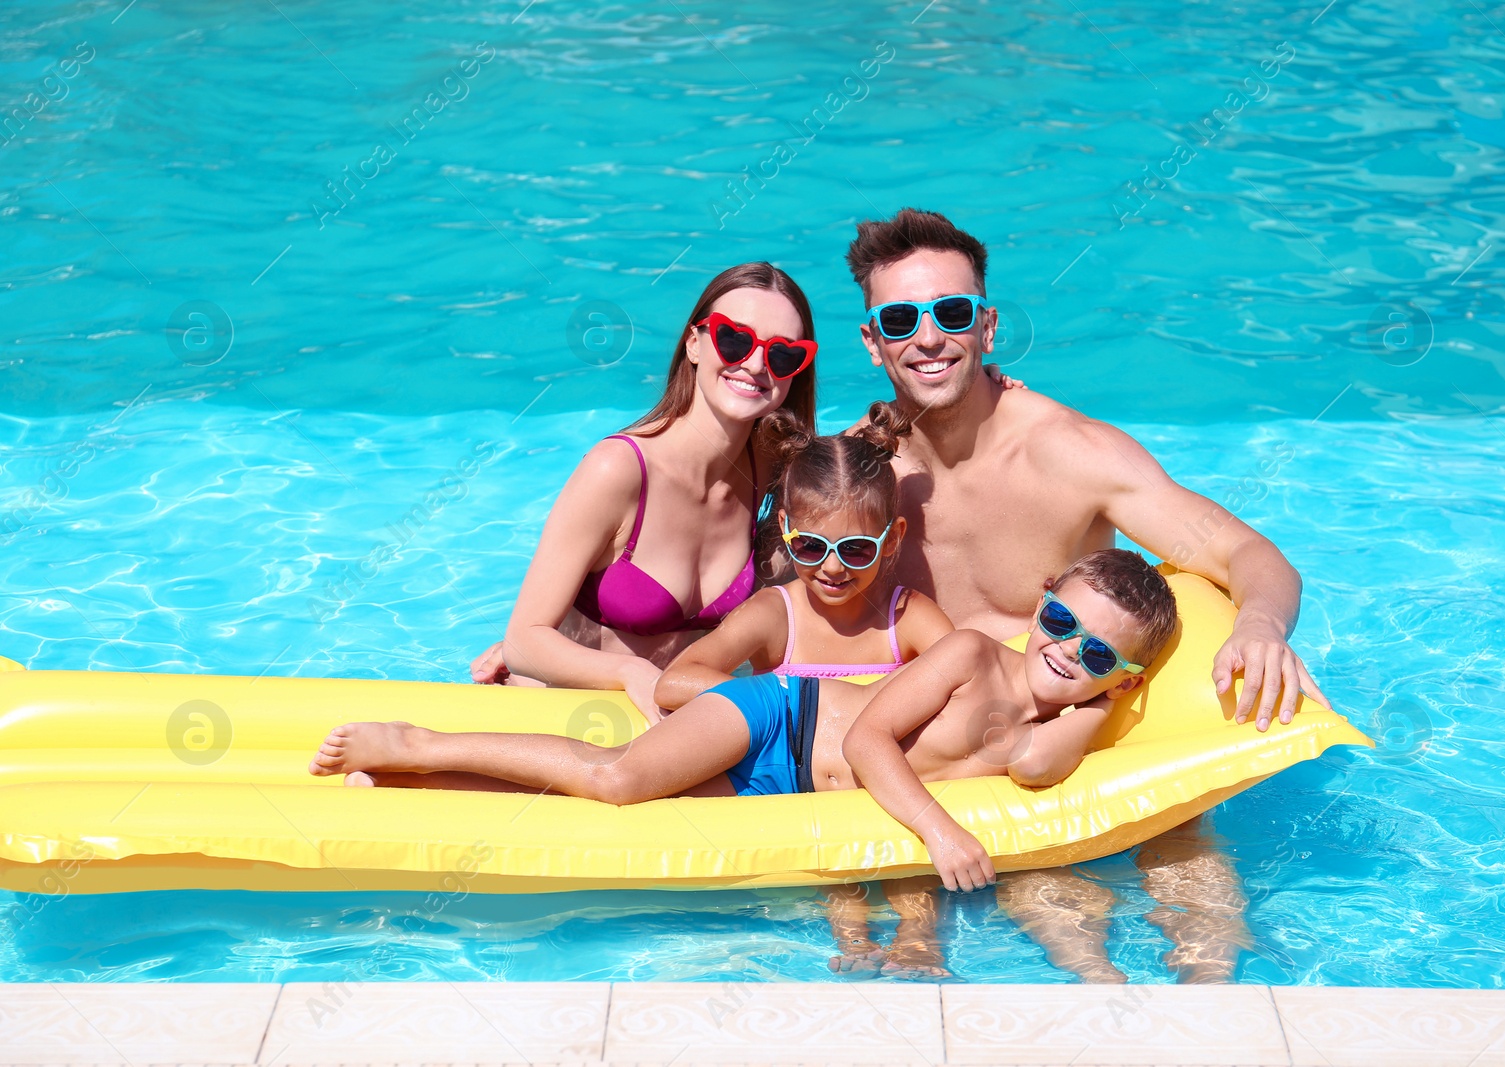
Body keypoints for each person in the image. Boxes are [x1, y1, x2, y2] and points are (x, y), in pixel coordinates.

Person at [836, 207, 1329, 981]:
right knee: (1048, 907)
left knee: (1180, 840)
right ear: (873, 341)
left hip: (1073, 738)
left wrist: (1261, 623)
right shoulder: (866, 476)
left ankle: (1215, 1005)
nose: (928, 338)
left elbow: (1249, 553)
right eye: (900, 318)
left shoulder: (1072, 455)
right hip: (952, 754)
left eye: (953, 313)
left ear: (987, 326)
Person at [304, 550, 1171, 808]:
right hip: (780, 721)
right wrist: (941, 836)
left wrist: (1104, 699)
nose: (1066, 652)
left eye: (1098, 655)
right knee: (614, 781)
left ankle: (415, 779)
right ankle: (417, 738)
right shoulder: (974, 654)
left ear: (1120, 681)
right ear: (1041, 600)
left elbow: (1034, 767)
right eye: (1061, 623)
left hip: (789, 784)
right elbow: (870, 739)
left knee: (613, 808)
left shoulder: (1043, 730)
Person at [467, 262, 818, 722]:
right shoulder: (619, 470)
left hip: (669, 735)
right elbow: (523, 641)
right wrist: (631, 673)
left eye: (783, 354)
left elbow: (862, 455)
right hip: (562, 718)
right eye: (734, 339)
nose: (754, 364)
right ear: (694, 343)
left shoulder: (773, 470)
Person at [652, 407, 953, 712]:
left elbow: (974, 680)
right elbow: (674, 683)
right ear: (784, 528)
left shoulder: (905, 617)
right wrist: (801, 702)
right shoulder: (775, 615)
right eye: (810, 545)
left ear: (890, 539)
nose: (833, 567)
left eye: (855, 548)